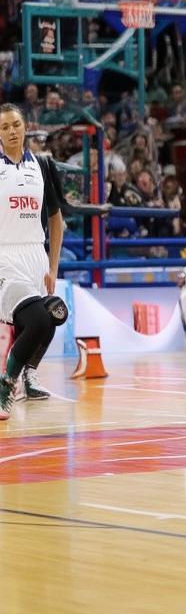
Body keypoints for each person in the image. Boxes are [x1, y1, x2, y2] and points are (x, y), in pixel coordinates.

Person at [0, 104, 68, 417]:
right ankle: (5, 385)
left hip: (35, 255)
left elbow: (56, 220)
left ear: (25, 126)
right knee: (38, 319)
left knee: (52, 315)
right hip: (5, 256)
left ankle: (29, 376)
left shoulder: (41, 165)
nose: (12, 131)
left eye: (16, 124)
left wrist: (52, 268)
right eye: (4, 127)